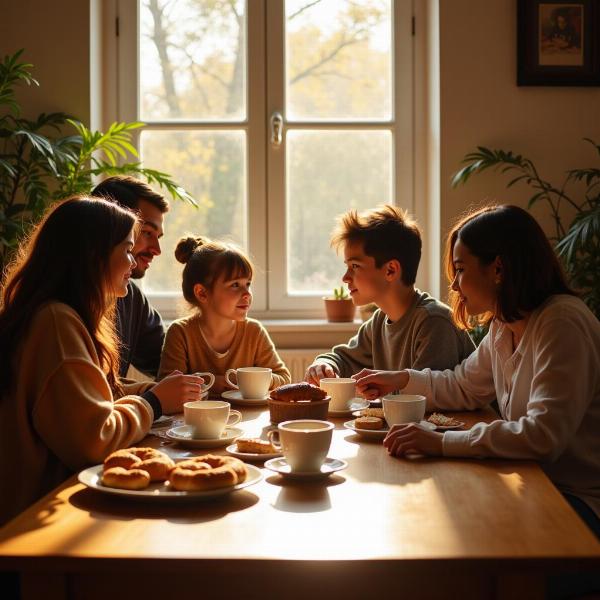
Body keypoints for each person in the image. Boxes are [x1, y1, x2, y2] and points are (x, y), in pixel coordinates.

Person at [353, 205, 600, 538]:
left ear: (498, 268)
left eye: (460, 269)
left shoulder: (561, 323)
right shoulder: (504, 324)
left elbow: (542, 436)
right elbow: (463, 385)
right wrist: (401, 378)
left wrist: (441, 442)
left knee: (461, 540)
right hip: (537, 484)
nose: (454, 285)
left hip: (580, 502)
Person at [0, 197, 204, 525]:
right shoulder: (55, 322)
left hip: (54, 505)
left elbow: (92, 397)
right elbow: (93, 440)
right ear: (92, 256)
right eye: (126, 249)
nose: (133, 262)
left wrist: (158, 391)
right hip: (36, 519)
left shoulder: (60, 314)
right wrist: (154, 402)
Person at [305, 205, 475, 384]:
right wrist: (324, 365)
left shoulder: (433, 322)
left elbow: (423, 400)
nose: (345, 278)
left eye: (355, 266)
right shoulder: (379, 321)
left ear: (391, 270)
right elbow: (343, 359)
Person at [158, 236, 291, 395]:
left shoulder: (254, 331)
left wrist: (249, 379)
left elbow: (283, 378)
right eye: (235, 285)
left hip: (247, 418)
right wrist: (210, 383)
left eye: (247, 284)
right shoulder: (180, 332)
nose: (247, 294)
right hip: (196, 419)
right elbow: (167, 386)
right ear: (202, 293)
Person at [92, 176, 167, 378]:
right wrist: (153, 400)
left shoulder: (130, 296)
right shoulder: (59, 312)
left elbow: (168, 360)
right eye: (146, 233)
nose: (157, 250)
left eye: (158, 237)